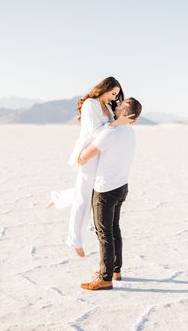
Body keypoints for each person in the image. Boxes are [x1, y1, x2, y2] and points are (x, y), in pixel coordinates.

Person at [47, 77, 134, 258]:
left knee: (87, 191)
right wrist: (117, 124)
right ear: (104, 89)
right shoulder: (91, 104)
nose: (114, 98)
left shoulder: (108, 107)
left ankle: (58, 199)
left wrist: (119, 124)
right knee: (83, 198)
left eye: (117, 95)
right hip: (87, 154)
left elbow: (110, 132)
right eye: (113, 93)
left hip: (99, 155)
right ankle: (74, 240)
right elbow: (96, 132)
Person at [78, 98, 142, 290]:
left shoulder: (111, 133)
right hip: (121, 186)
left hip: (105, 189)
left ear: (125, 113)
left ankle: (105, 278)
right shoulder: (130, 132)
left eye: (120, 104)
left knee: (104, 233)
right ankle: (116, 270)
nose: (116, 104)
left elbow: (83, 158)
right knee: (114, 229)